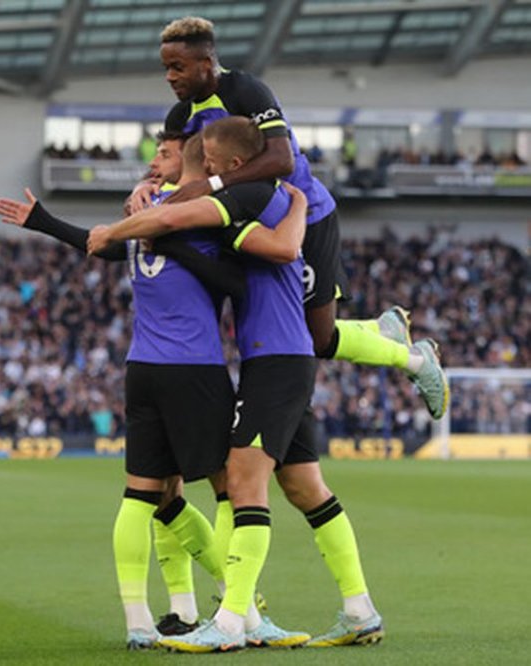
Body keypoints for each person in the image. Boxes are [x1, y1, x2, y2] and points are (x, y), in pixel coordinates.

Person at [88, 116, 384, 652]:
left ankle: (229, 623)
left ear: (233, 166)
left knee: (243, 488)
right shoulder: (265, 197)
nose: (211, 170)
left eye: (216, 162)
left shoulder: (246, 201)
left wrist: (118, 226)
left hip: (275, 361)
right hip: (276, 359)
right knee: (304, 488)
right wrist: (152, 196)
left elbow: (263, 241)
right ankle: (359, 609)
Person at [134, 15, 448, 420]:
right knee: (279, 324)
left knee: (319, 338)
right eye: (166, 68)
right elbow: (167, 165)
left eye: (177, 67)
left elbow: (280, 160)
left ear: (206, 64)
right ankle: (380, 331)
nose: (169, 76)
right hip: (250, 220)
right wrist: (143, 186)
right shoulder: (180, 117)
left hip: (303, 216)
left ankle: (417, 361)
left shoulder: (245, 91)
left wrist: (212, 185)